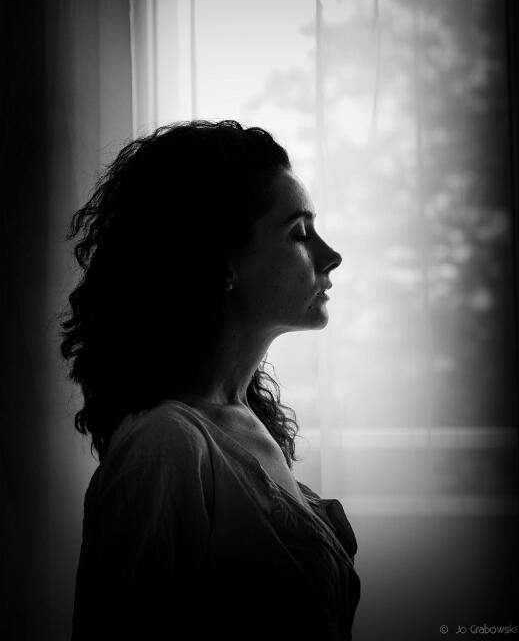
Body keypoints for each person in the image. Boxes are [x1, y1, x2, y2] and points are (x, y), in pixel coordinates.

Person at [62, 119, 360, 641]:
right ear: (223, 260)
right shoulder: (164, 449)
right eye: (299, 233)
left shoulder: (244, 422)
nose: (330, 256)